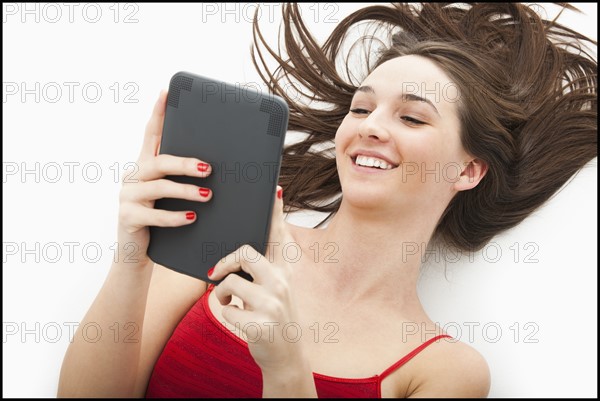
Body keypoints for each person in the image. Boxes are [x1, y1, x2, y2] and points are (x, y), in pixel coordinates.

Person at [57, 3, 597, 398]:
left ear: (467, 169)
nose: (372, 128)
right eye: (361, 110)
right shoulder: (231, 243)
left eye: (411, 117)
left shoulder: (446, 369)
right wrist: (131, 258)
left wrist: (287, 367)